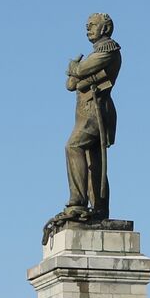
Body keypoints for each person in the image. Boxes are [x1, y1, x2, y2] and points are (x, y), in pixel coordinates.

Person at [61, 12, 121, 222]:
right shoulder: (95, 53)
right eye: (87, 25)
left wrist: (74, 69)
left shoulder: (108, 50)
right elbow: (70, 85)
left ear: (104, 28)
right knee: (92, 162)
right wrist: (76, 75)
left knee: (73, 146)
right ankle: (98, 209)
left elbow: (80, 69)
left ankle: (77, 203)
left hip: (96, 111)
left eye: (92, 25)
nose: (88, 28)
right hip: (85, 112)